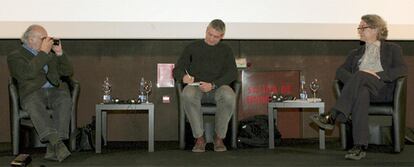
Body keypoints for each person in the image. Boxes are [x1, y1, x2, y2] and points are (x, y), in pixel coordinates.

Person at [310, 14, 407, 160]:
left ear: (375, 29)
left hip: (382, 89)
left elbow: (402, 70)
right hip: (361, 89)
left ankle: (333, 114)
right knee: (361, 92)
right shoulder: (355, 53)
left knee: (361, 76)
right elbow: (340, 71)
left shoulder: (393, 49)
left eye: (363, 27)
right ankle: (359, 147)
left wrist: (376, 74)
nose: (359, 30)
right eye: (359, 27)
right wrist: (358, 78)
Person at [8, 25, 74, 162]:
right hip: (32, 92)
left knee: (64, 98)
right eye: (43, 38)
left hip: (54, 90)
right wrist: (43, 53)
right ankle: (57, 143)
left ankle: (54, 145)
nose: (47, 41)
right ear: (31, 39)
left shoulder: (50, 54)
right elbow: (27, 73)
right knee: (34, 103)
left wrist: (60, 53)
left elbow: (67, 72)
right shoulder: (15, 56)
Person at [173, 19, 238, 152]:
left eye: (216, 37)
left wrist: (213, 85)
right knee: (188, 93)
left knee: (229, 95)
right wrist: (184, 77)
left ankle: (219, 138)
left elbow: (232, 73)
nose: (212, 39)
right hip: (196, 86)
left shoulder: (226, 49)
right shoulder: (192, 47)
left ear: (222, 36)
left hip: (218, 87)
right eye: (210, 34)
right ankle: (199, 138)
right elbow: (177, 69)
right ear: (206, 30)